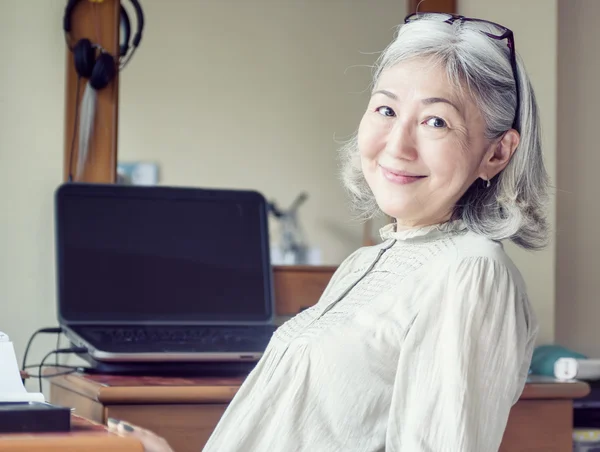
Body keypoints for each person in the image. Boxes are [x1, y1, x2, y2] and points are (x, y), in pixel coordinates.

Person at [108, 11, 547, 452]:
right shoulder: (366, 262)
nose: (397, 145)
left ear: (497, 152)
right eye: (386, 109)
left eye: (436, 121)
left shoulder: (471, 274)